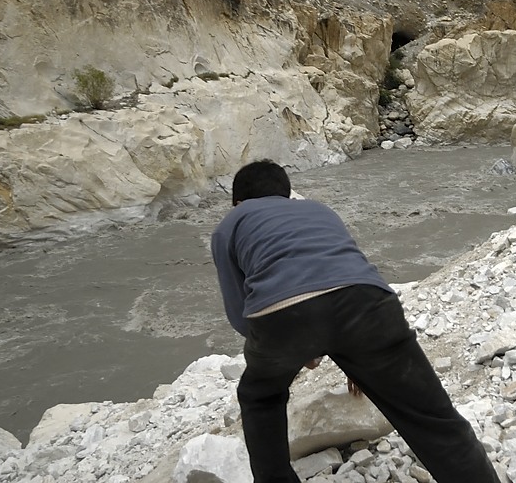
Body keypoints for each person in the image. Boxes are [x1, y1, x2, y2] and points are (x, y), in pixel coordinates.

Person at [210, 160, 500, 483]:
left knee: (260, 398)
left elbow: (241, 312)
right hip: (371, 304)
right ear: (288, 194)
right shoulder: (319, 210)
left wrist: (290, 349)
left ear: (237, 201)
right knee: (433, 419)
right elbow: (340, 275)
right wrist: (360, 364)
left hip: (282, 315)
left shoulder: (232, 222)